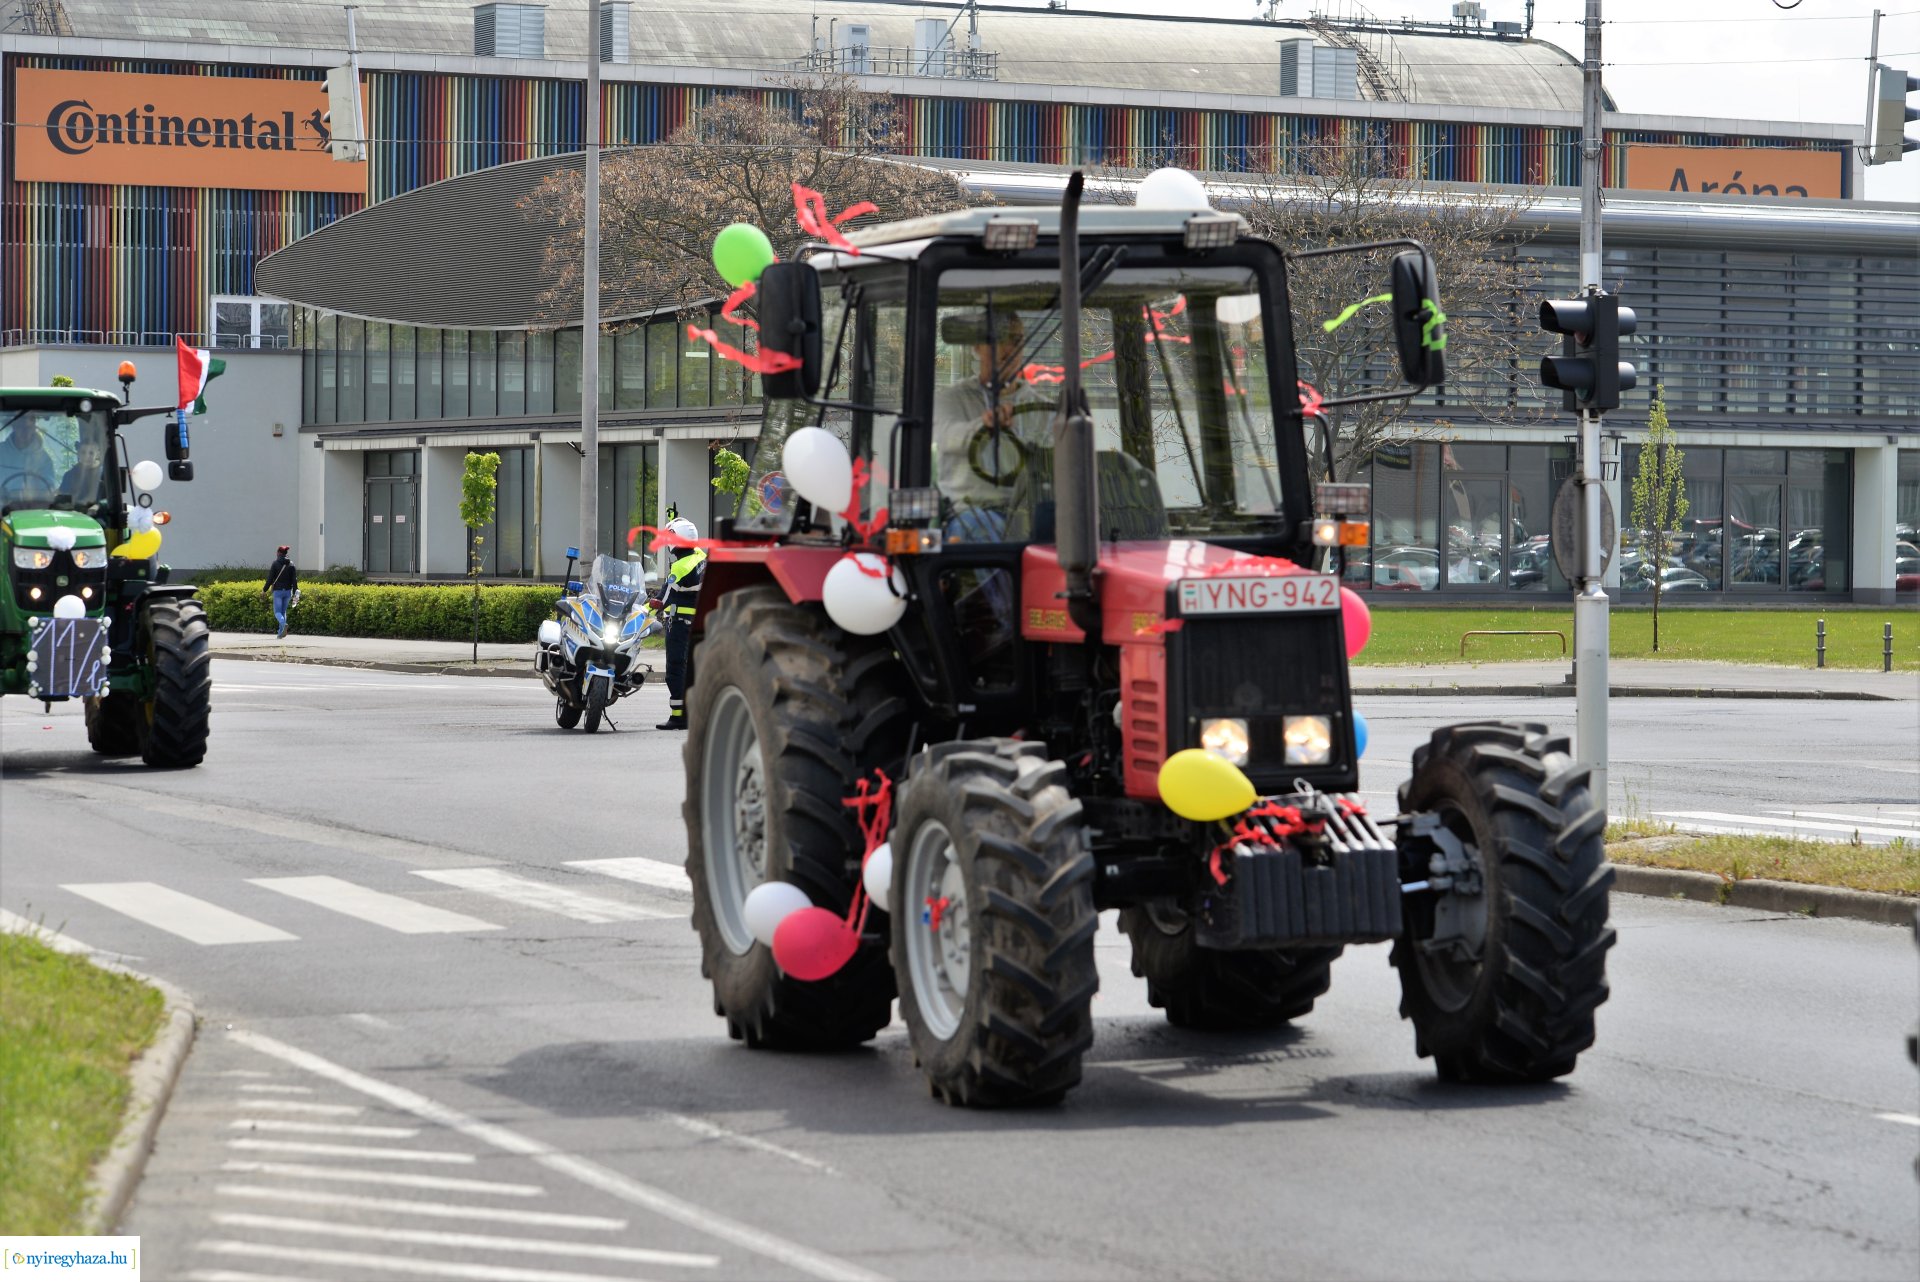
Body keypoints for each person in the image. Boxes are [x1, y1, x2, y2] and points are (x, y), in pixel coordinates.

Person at [652, 516, 704, 731]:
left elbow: (662, 600)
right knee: (692, 668)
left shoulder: (680, 568)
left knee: (675, 668)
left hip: (679, 624)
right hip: (697, 622)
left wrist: (638, 611)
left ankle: (678, 716)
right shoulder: (700, 557)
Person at [0, 412, 58, 502]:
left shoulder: (44, 459)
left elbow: (48, 492)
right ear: (14, 426)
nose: (25, 433)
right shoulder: (1, 452)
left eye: (28, 428)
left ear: (34, 428)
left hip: (32, 511)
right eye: (21, 428)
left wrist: (31, 493)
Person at [263, 545, 298, 640]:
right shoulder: (291, 564)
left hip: (278, 591)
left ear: (279, 553)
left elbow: (270, 579)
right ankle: (280, 633)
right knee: (283, 612)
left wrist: (264, 590)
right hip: (288, 592)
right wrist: (295, 592)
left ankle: (283, 624)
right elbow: (294, 580)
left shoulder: (275, 564)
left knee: (277, 612)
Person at [60, 437, 106, 502]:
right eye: (83, 452)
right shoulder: (69, 475)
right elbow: (63, 497)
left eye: (91, 453)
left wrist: (98, 506)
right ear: (78, 453)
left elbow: (107, 500)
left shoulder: (104, 475)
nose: (87, 456)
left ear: (98, 455)